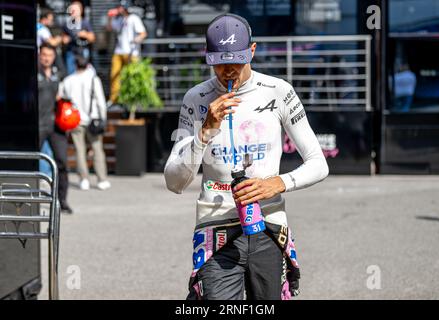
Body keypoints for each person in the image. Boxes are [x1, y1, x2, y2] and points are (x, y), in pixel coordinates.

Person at [164, 14, 329, 300]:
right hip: (216, 228)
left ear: (252, 51)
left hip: (268, 224)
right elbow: (174, 181)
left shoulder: (279, 91)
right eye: (220, 63)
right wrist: (204, 133)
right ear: (208, 57)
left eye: (237, 61)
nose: (229, 71)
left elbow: (319, 163)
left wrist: (277, 183)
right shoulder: (196, 98)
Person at [59, 56, 111, 191]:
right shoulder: (94, 79)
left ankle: (84, 179)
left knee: (79, 150)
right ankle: (102, 179)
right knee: (97, 149)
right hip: (93, 119)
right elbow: (101, 101)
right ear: (88, 65)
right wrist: (103, 118)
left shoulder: (68, 80)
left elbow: (61, 98)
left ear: (75, 65)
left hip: (75, 120)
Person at [38, 43, 73, 214]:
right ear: (39, 55)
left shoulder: (57, 74)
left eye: (50, 55)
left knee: (62, 162)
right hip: (38, 123)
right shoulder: (34, 74)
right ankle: (28, 198)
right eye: (44, 54)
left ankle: (62, 201)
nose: (46, 58)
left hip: (56, 125)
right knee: (29, 162)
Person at [106, 0, 147, 104]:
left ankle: (133, 101)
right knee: (114, 75)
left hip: (131, 52)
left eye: (120, 7)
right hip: (119, 51)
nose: (118, 9)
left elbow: (143, 33)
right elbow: (109, 28)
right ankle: (114, 100)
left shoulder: (134, 18)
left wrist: (135, 40)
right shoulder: (120, 19)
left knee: (132, 77)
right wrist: (110, 17)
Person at [62, 1, 95, 75]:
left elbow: (92, 38)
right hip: (71, 52)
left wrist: (85, 34)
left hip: (83, 51)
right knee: (71, 74)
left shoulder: (85, 23)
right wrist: (64, 40)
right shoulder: (66, 24)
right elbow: (63, 38)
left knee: (85, 73)